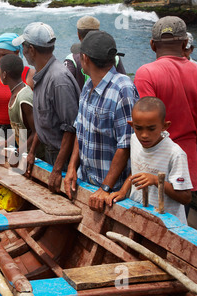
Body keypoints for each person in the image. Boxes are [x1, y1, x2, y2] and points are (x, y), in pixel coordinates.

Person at [64, 30, 139, 212]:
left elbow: (126, 145)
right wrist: (72, 167)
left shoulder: (123, 89)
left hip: (110, 192)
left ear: (85, 58)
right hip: (86, 181)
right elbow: (79, 130)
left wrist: (105, 187)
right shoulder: (88, 85)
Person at [134, 17, 197, 200]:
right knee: (180, 217)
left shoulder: (146, 73)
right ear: (185, 43)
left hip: (156, 162)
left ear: (153, 45)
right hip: (190, 159)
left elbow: (146, 121)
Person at [13, 22, 80, 193]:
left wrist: (57, 170)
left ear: (32, 50)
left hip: (61, 157)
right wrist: (32, 152)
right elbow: (42, 121)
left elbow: (71, 128)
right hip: (49, 152)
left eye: (24, 47)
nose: (23, 52)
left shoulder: (58, 80)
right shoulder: (41, 75)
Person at [106, 97, 192, 225]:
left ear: (165, 126)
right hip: (139, 216)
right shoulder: (135, 140)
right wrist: (123, 191)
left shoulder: (175, 154)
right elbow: (136, 169)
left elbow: (185, 197)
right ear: (131, 125)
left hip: (167, 225)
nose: (144, 135)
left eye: (151, 129)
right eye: (139, 128)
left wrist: (156, 180)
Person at [0, 33, 34, 140]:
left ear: (17, 53)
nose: (1, 59)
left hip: (20, 133)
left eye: (5, 55)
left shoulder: (29, 75)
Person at [0, 54, 43, 160]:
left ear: (4, 74)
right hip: (24, 152)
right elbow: (21, 129)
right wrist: (6, 143)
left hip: (34, 156)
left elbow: (37, 132)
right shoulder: (14, 93)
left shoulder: (23, 98)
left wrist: (18, 151)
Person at [64, 16, 126, 90]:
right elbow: (122, 79)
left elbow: (65, 84)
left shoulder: (72, 59)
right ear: (98, 33)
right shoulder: (113, 56)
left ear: (78, 35)